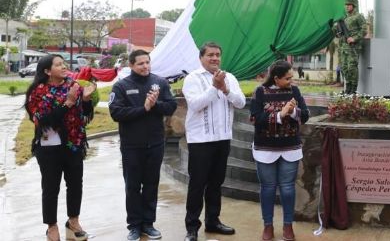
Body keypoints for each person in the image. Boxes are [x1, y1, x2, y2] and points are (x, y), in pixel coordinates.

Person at [24, 54, 96, 241]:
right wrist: (68, 103)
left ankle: (73, 221)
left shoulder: (74, 86)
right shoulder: (38, 91)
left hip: (73, 143)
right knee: (50, 187)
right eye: (58, 65)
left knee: (75, 185)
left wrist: (86, 101)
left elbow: (85, 114)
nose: (64, 67)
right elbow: (43, 121)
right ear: (47, 71)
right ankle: (51, 226)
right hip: (48, 147)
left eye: (63, 64)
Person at [109, 49, 177, 241]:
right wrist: (144, 108)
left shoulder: (160, 83)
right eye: (140, 63)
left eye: (147, 62)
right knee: (132, 186)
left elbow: (171, 106)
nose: (145, 66)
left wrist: (155, 105)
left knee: (151, 185)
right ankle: (134, 226)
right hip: (131, 146)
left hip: (155, 144)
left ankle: (148, 224)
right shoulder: (121, 86)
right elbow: (116, 113)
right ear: (131, 65)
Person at [182, 42, 246, 241]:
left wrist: (225, 89)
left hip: (222, 139)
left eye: (218, 54)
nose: (215, 58)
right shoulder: (192, 78)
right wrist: (214, 88)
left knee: (216, 184)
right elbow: (195, 104)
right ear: (201, 57)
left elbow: (241, 102)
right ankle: (192, 227)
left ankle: (213, 221)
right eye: (210, 55)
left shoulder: (230, 77)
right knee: (197, 185)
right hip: (200, 140)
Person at [251, 60, 310, 241]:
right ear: (276, 78)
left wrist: (292, 112)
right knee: (268, 188)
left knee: (287, 189)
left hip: (290, 148)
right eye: (287, 78)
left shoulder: (295, 91)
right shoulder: (260, 92)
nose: (291, 81)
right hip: (265, 148)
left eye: (291, 77)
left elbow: (305, 115)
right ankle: (267, 226)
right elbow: (255, 118)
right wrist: (279, 114)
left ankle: (287, 226)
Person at [332, 0, 367, 94]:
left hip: (353, 47)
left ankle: (353, 89)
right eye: (346, 5)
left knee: (352, 67)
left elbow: (364, 30)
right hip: (343, 47)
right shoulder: (344, 19)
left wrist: (354, 38)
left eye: (349, 5)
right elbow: (338, 34)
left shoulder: (358, 17)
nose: (347, 7)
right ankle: (348, 88)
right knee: (344, 68)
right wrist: (334, 28)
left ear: (354, 5)